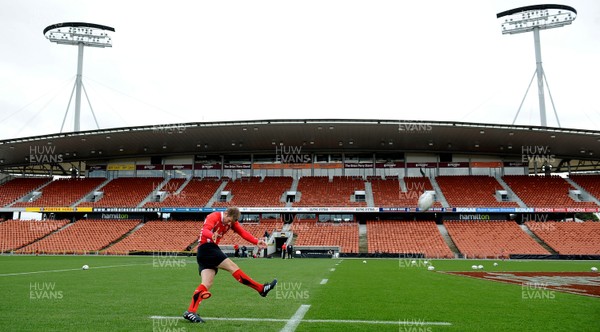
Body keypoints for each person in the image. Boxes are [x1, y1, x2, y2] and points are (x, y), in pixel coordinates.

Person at [183, 207, 277, 323]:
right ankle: (261, 288)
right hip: (207, 248)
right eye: (229, 220)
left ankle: (190, 312)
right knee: (233, 267)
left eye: (231, 222)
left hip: (206, 252)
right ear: (226, 213)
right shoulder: (214, 216)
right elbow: (205, 230)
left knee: (207, 283)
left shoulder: (232, 222)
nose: (229, 224)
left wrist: (256, 241)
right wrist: (211, 235)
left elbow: (242, 232)